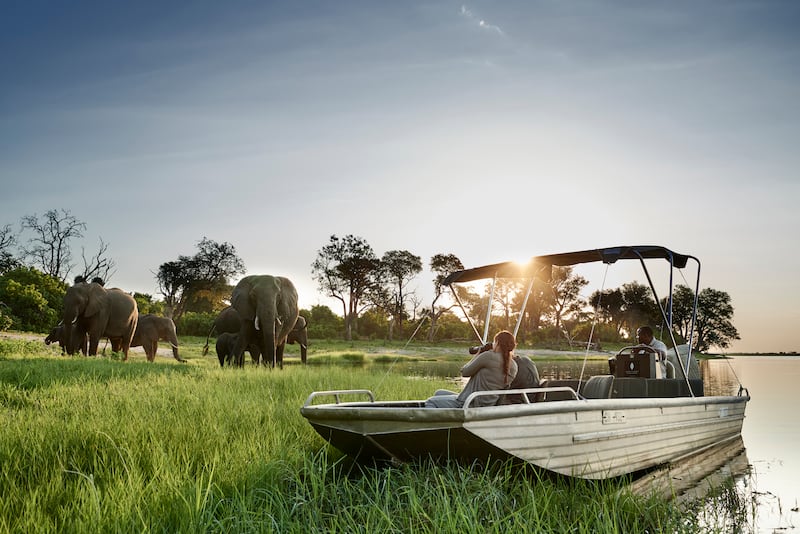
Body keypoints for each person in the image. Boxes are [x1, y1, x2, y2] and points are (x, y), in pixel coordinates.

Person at [425, 330, 518, 408]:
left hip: (470, 402)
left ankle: (442, 427)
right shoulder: (514, 366)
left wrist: (477, 355)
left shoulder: (488, 356)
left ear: (497, 343)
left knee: (430, 402)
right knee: (439, 393)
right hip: (488, 404)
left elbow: (464, 372)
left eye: (494, 342)